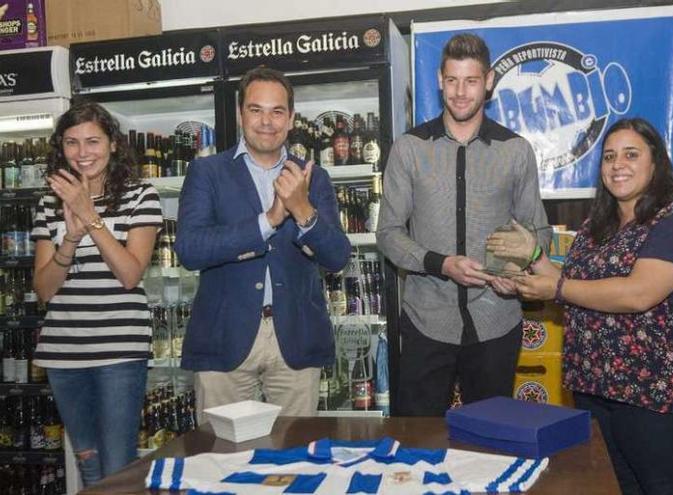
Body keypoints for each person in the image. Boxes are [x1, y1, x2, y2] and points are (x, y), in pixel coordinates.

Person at [501, 118, 673, 494]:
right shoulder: (598, 224)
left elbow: (637, 294)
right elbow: (577, 285)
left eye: (631, 154)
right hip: (595, 387)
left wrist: (557, 287)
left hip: (655, 395)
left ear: (655, 161)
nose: (618, 165)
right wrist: (533, 256)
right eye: (609, 156)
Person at [376, 33, 550, 416]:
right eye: (452, 80)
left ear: (488, 82)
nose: (460, 92)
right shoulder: (409, 147)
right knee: (417, 445)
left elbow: (538, 231)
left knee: (491, 444)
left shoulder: (515, 150)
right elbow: (388, 234)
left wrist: (514, 273)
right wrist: (442, 264)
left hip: (496, 321)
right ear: (439, 79)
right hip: (426, 324)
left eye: (471, 81)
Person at [174, 67, 351, 421]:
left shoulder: (313, 176)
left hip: (296, 339)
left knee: (293, 461)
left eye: (277, 111)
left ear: (291, 119)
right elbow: (191, 249)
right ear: (241, 115)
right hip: (224, 338)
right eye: (256, 110)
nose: (266, 121)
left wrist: (304, 212)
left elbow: (337, 257)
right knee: (221, 462)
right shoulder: (207, 172)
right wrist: (268, 221)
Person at [31, 102, 163, 485]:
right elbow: (44, 290)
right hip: (62, 353)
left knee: (118, 466)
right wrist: (70, 237)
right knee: (89, 463)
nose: (83, 152)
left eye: (93, 141)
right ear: (61, 148)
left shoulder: (141, 196)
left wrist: (89, 216)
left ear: (114, 145)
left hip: (119, 350)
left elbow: (129, 273)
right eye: (72, 143)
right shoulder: (48, 203)